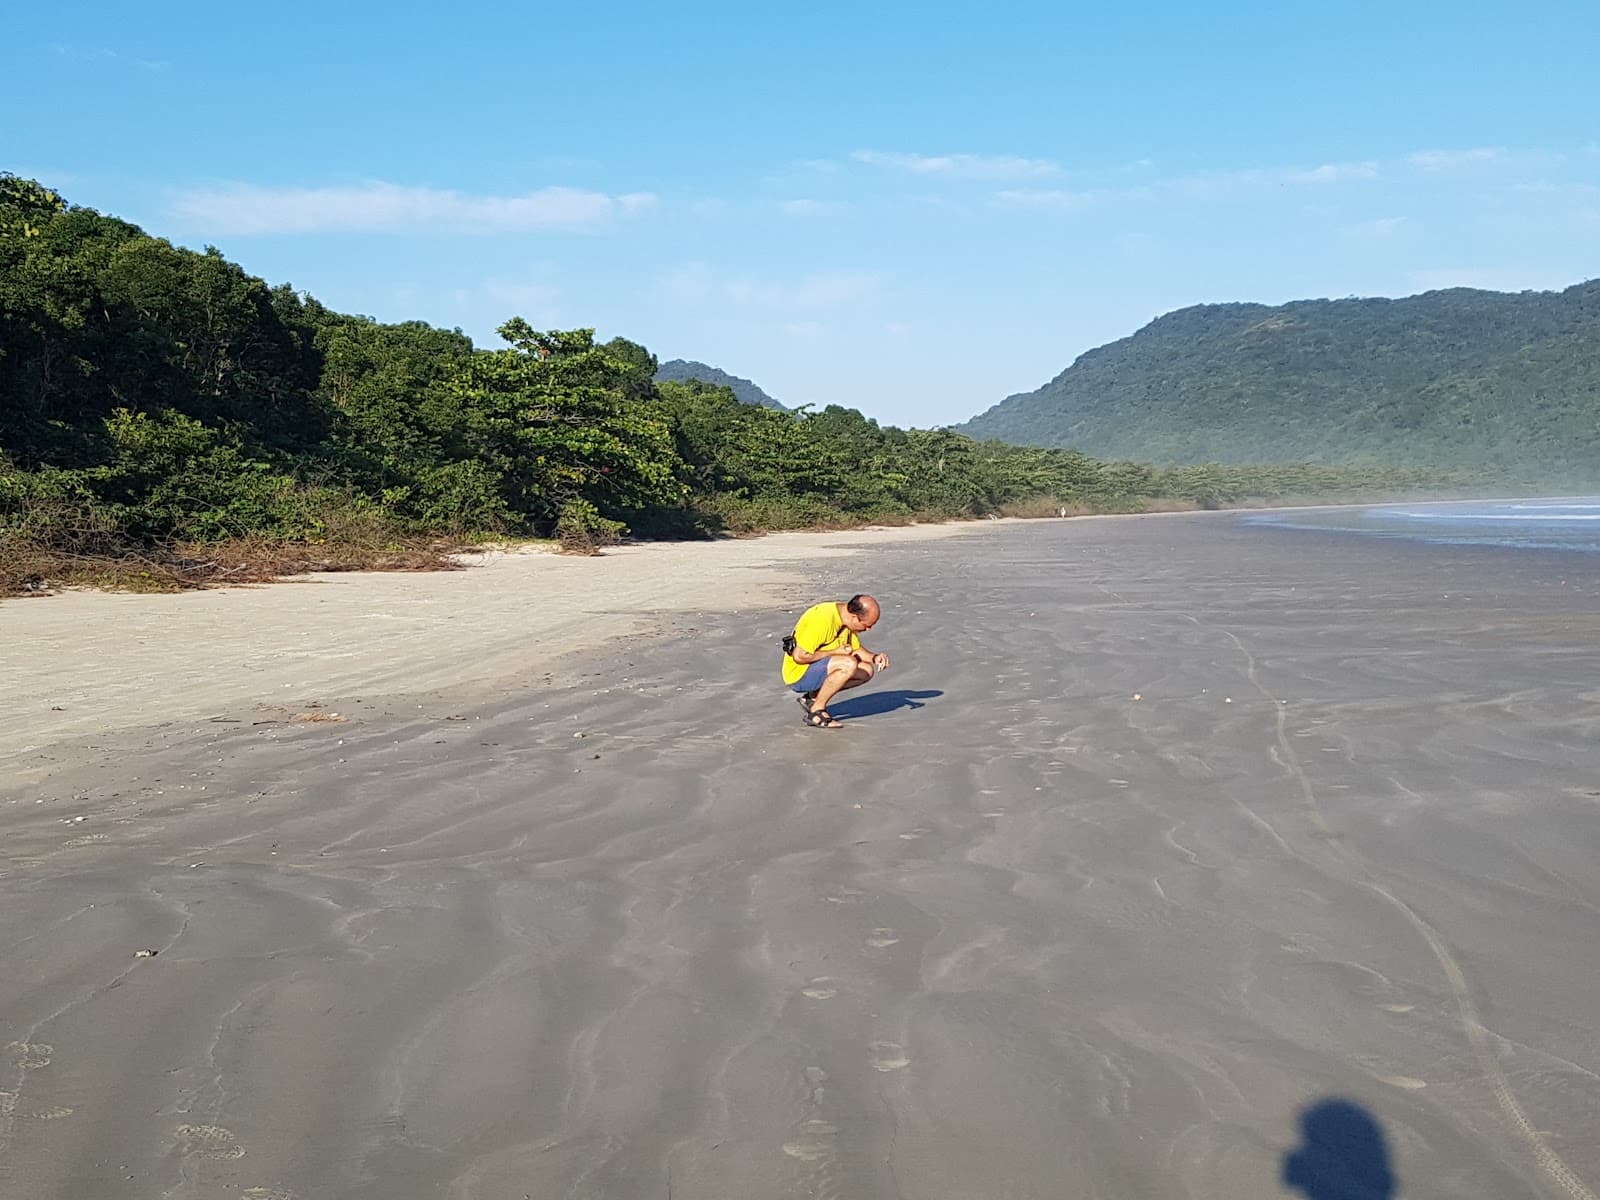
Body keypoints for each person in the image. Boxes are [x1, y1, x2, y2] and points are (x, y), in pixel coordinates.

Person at [781, 594, 889, 729]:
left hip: (817, 668)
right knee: (848, 664)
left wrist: (875, 658)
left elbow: (855, 649)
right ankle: (816, 712)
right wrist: (835, 651)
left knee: (866, 671)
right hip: (798, 674)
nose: (868, 630)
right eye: (867, 626)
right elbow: (800, 656)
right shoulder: (822, 619)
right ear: (854, 617)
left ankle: (812, 698)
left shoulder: (846, 619)